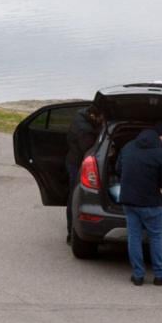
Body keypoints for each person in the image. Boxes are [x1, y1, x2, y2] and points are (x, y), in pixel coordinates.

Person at [116, 121, 162, 286]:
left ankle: (137, 275)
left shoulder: (128, 146)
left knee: (133, 237)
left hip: (128, 200)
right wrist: (159, 187)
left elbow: (119, 169)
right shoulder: (160, 154)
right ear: (160, 137)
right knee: (156, 236)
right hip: (150, 202)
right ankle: (159, 275)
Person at [64, 104, 103, 244]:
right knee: (75, 197)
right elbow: (89, 150)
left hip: (74, 159)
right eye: (102, 118)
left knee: (74, 196)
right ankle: (72, 233)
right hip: (77, 164)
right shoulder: (83, 129)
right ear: (94, 116)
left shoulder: (83, 117)